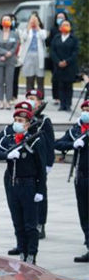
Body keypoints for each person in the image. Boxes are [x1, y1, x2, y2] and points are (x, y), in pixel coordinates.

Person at [0, 108, 47, 264]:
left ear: (27, 125)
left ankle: (31, 254)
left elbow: (41, 168)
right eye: (16, 120)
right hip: (12, 183)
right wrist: (6, 155)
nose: (17, 123)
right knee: (17, 221)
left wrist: (40, 190)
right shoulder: (9, 140)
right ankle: (22, 251)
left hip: (29, 184)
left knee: (30, 224)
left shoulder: (35, 141)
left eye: (21, 121)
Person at [54, 100, 89, 263]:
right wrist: (73, 144)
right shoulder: (76, 130)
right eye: (84, 109)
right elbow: (58, 144)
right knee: (84, 213)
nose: (85, 112)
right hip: (81, 177)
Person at [26, 89, 55, 240]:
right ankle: (30, 223)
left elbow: (50, 143)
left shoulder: (44, 121)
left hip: (41, 162)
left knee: (40, 193)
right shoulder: (25, 118)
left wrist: (49, 163)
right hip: (28, 164)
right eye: (28, 98)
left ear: (40, 102)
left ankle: (40, 224)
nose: (31, 101)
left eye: (33, 98)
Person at [50, 19, 79, 112]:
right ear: (60, 27)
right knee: (60, 85)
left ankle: (68, 104)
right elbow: (52, 51)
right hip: (58, 66)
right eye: (64, 25)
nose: (65, 26)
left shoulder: (73, 39)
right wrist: (58, 61)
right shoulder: (56, 38)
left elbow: (75, 52)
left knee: (69, 86)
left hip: (70, 66)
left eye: (67, 25)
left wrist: (66, 61)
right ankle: (62, 104)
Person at [0, 14, 19, 110]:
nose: (7, 21)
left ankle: (8, 101)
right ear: (1, 22)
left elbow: (15, 46)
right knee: (0, 81)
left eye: (8, 19)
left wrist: (9, 54)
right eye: (5, 19)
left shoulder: (14, 34)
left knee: (9, 81)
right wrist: (4, 53)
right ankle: (0, 101)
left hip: (10, 60)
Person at [18, 13, 47, 94]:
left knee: (40, 78)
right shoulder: (26, 30)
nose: (33, 22)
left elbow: (43, 37)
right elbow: (23, 38)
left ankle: (40, 98)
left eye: (35, 20)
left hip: (39, 56)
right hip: (28, 56)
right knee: (29, 78)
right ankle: (29, 96)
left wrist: (37, 27)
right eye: (32, 20)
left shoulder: (42, 31)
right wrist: (29, 27)